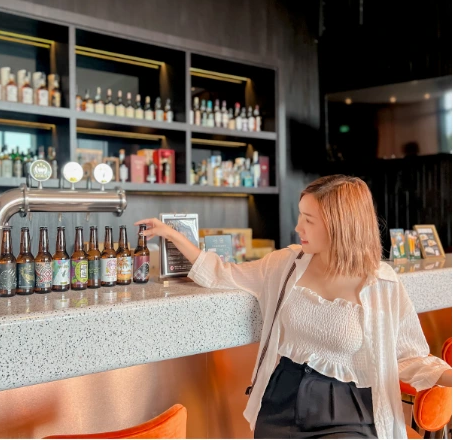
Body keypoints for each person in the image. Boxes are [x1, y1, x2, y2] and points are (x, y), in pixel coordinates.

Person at [135, 175, 451, 439]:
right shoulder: (287, 263)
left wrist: (447, 376)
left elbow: (408, 356)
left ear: (339, 225)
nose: (298, 227)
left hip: (346, 411)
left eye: (309, 220)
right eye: (300, 216)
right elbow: (223, 273)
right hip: (281, 400)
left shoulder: (381, 283)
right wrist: (172, 235)